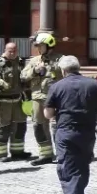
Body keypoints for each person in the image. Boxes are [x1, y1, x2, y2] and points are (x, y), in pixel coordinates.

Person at [44, 56, 97, 194]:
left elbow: (48, 114)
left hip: (66, 133)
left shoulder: (57, 86)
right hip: (88, 133)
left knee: (68, 169)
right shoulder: (94, 84)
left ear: (63, 70)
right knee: (82, 167)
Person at [0, 41, 31, 162]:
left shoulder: (21, 63)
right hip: (3, 103)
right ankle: (1, 154)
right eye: (10, 51)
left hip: (18, 101)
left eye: (15, 51)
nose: (13, 53)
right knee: (3, 129)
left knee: (20, 127)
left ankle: (18, 152)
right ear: (5, 50)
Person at [21, 32, 62, 166]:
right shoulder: (34, 61)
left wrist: (53, 68)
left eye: (41, 45)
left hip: (56, 99)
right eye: (37, 46)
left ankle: (63, 154)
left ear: (49, 45)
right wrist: (35, 71)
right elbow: (23, 76)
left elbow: (70, 73)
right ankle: (45, 154)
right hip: (38, 98)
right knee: (38, 126)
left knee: (58, 126)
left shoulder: (60, 59)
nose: (38, 48)